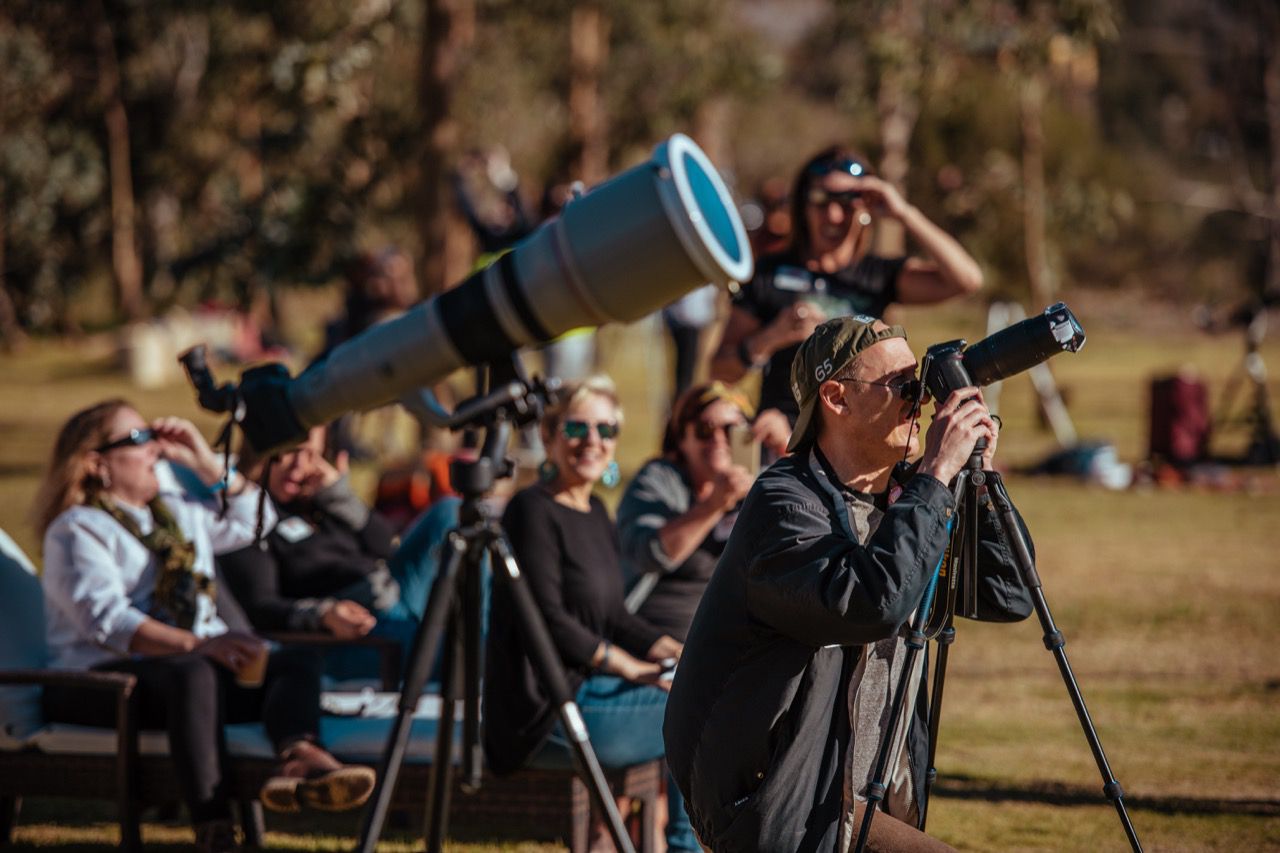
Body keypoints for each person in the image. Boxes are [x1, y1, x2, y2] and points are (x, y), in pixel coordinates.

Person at [665, 317, 1034, 852]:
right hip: (786, 800)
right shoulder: (785, 505)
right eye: (904, 386)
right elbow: (868, 603)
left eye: (922, 384)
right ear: (836, 398)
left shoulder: (906, 498)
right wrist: (934, 477)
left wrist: (976, 480)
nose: (920, 403)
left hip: (860, 796)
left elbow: (1008, 595)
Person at [33, 400, 375, 853]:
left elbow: (256, 522)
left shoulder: (174, 514)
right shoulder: (78, 529)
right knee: (193, 672)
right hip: (100, 683)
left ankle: (299, 756)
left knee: (292, 661)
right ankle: (214, 828)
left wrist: (205, 460)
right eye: (138, 439)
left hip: (182, 682)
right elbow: (107, 622)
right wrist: (199, 644)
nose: (155, 446)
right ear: (97, 463)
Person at [483, 376, 699, 851]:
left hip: (589, 689)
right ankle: (685, 847)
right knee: (696, 705)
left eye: (606, 430)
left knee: (698, 679)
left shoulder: (598, 512)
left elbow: (616, 618)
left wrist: (678, 652)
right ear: (550, 435)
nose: (593, 442)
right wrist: (636, 669)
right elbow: (549, 621)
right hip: (545, 709)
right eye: (577, 428)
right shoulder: (530, 510)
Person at [710, 146, 985, 458]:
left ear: (866, 208)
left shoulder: (876, 275)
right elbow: (720, 370)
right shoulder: (768, 273)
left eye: (847, 203)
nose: (833, 215)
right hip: (784, 440)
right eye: (820, 201)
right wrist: (772, 336)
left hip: (858, 444)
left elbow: (967, 279)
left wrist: (902, 213)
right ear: (802, 206)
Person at [217, 425, 463, 685]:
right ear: (262, 453)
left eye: (312, 454)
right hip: (359, 630)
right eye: (290, 452)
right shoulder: (249, 515)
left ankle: (481, 628)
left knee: (453, 512)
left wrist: (338, 495)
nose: (299, 465)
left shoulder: (317, 501)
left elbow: (385, 545)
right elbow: (260, 605)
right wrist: (323, 613)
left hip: (394, 592)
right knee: (467, 655)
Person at [616, 381, 755, 641]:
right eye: (704, 430)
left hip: (730, 646)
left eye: (730, 429)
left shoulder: (762, 483)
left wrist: (786, 450)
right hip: (657, 640)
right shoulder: (658, 479)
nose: (717, 440)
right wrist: (713, 505)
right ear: (682, 439)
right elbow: (649, 554)